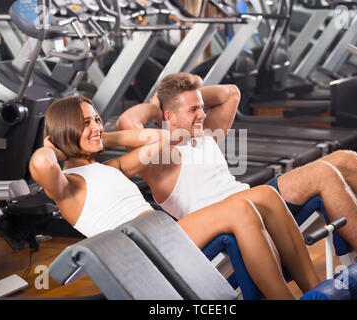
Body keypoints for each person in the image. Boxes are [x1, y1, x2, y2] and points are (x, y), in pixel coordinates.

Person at [116, 72, 357, 300]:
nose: (202, 114)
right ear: (169, 117)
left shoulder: (205, 135)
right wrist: (157, 104)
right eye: (193, 110)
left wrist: (188, 95)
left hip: (259, 201)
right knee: (323, 172)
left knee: (345, 160)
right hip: (231, 216)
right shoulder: (159, 159)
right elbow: (127, 121)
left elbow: (230, 93)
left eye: (202, 107)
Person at [29, 95, 326, 300]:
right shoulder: (67, 187)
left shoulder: (113, 167)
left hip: (162, 233)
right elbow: (41, 165)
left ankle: (316, 289)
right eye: (85, 122)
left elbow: (163, 138)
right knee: (241, 211)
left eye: (96, 119)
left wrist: (102, 136)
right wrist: (57, 145)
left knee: (263, 196)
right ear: (64, 129)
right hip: (139, 250)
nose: (96, 126)